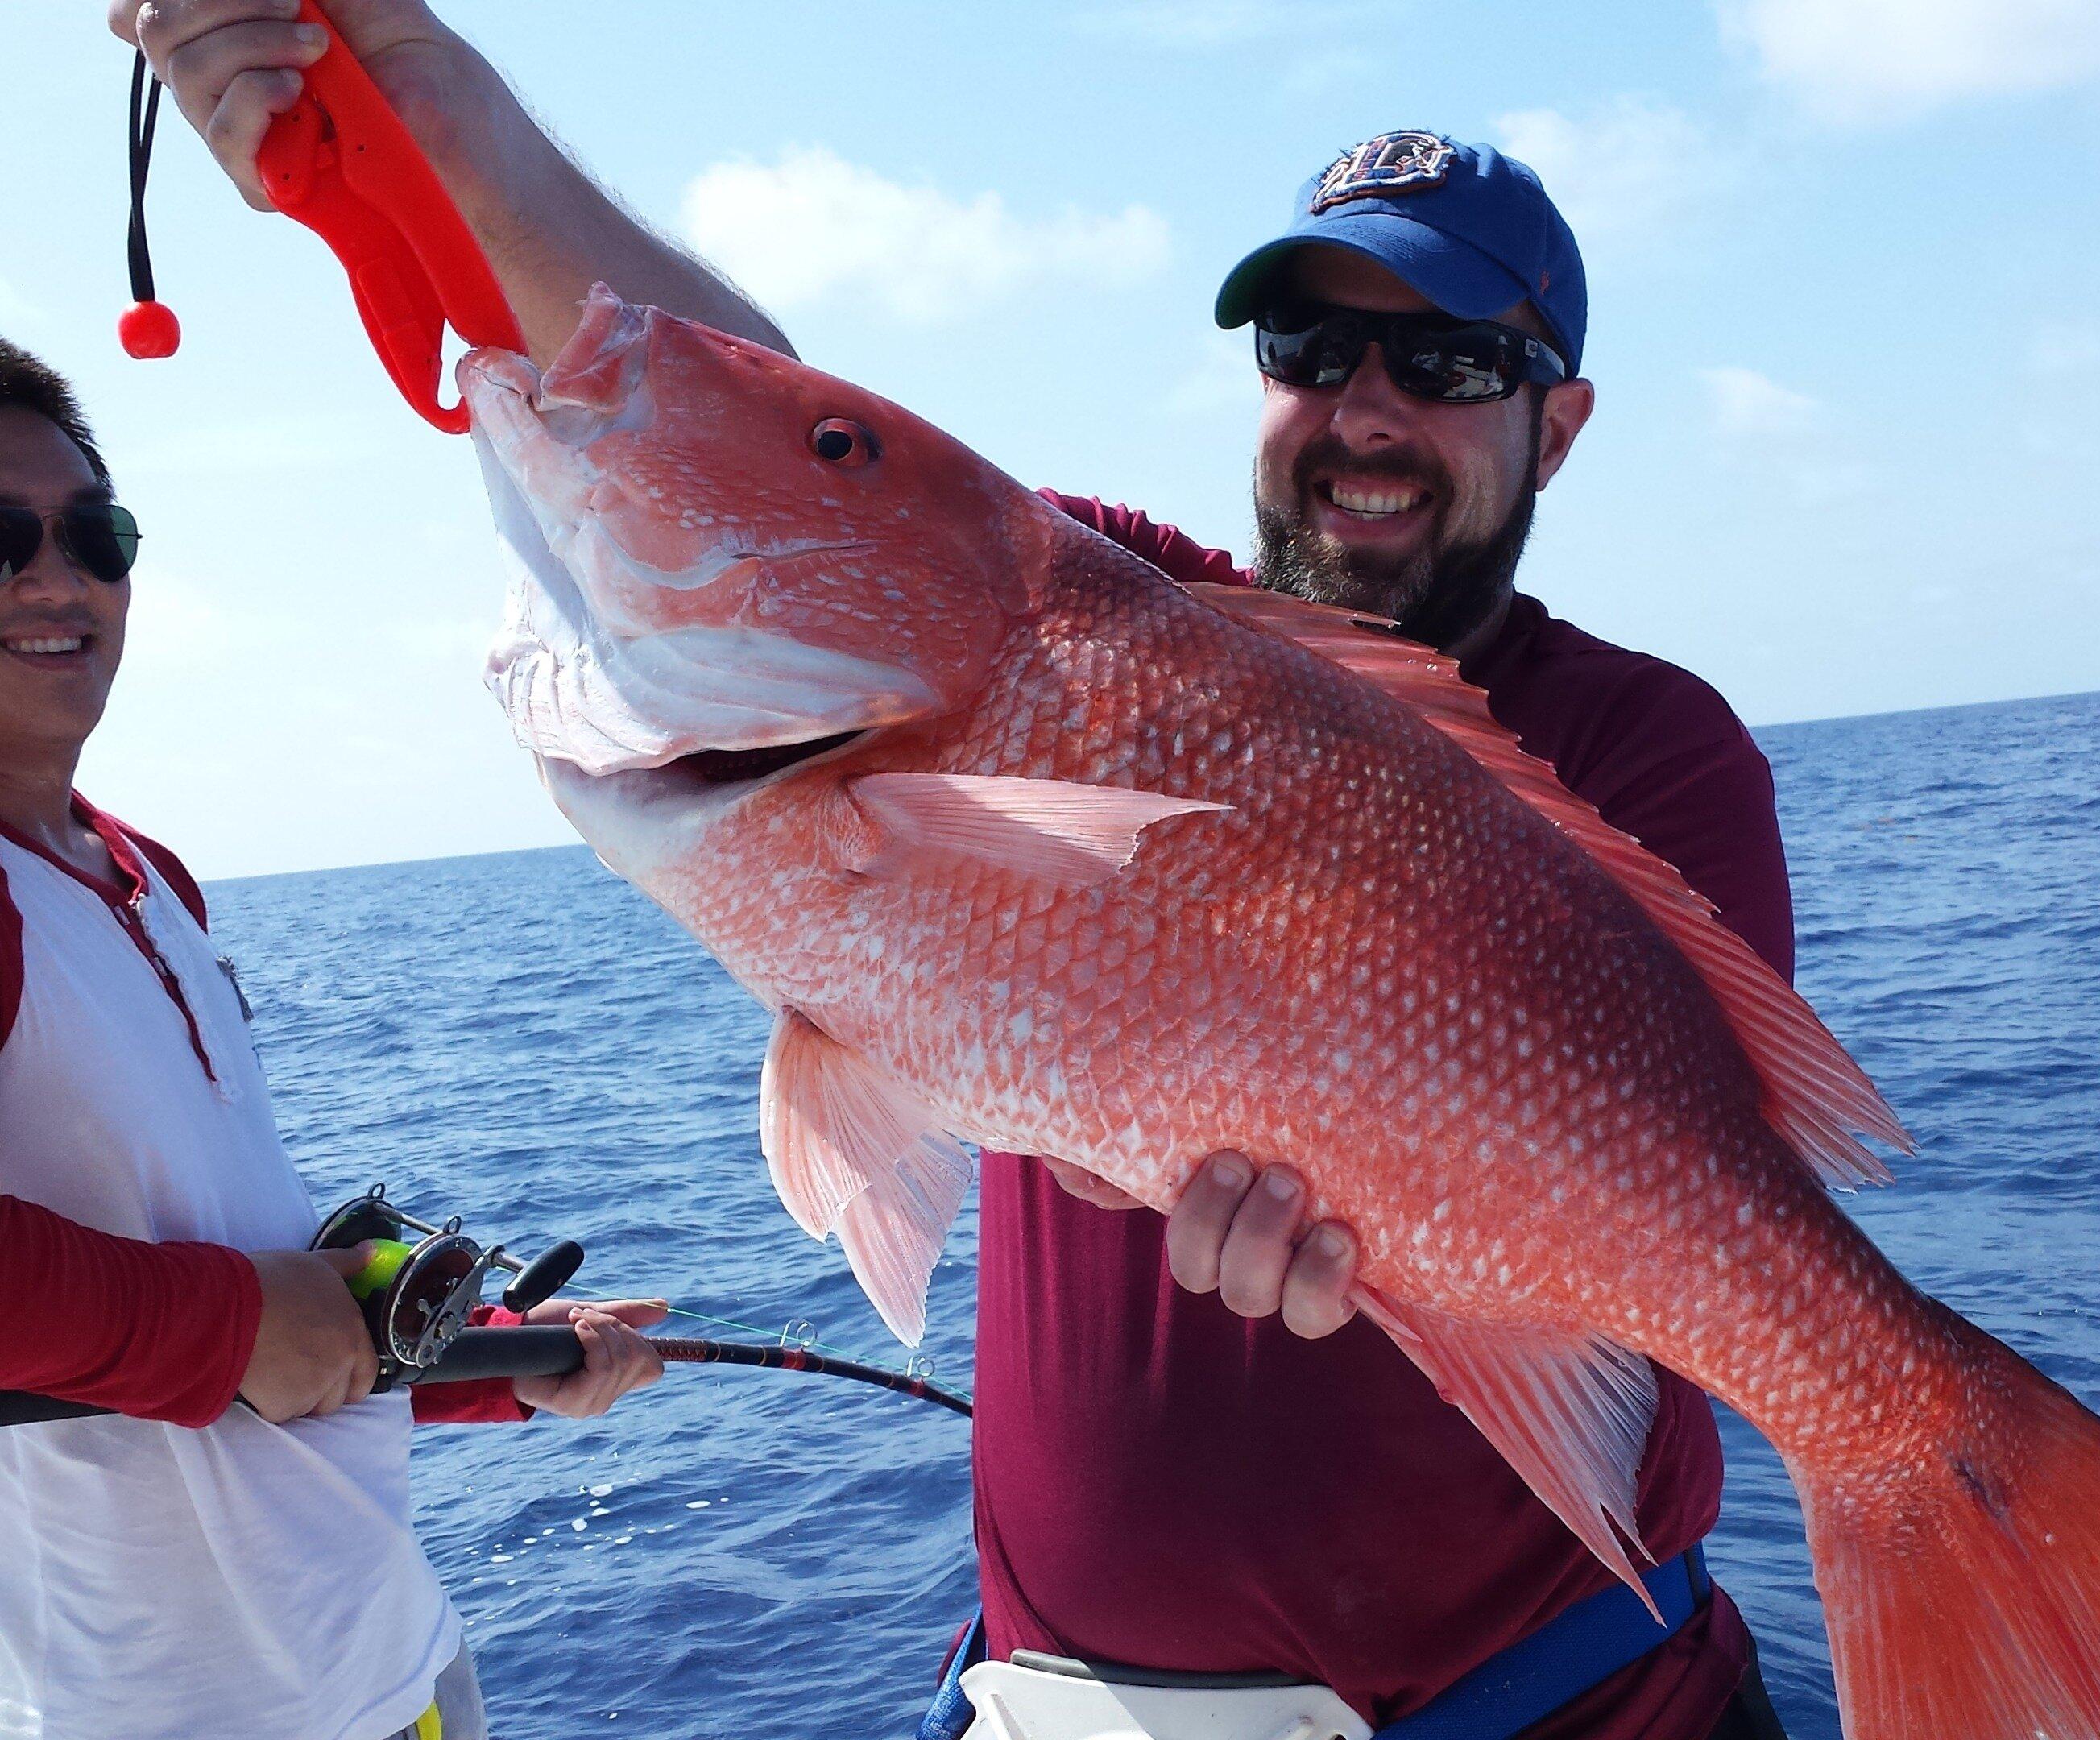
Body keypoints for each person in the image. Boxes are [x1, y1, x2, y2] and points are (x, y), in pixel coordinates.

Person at [122, 6, 1800, 1734]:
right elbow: (750, 420)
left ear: (1559, 424)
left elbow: (1679, 1183)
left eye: (1445, 365)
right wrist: (431, 115)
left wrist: (1403, 1233)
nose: (1363, 410)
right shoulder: (1088, 613)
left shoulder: (1644, 745)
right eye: (1311, 346)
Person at [0, 338, 669, 1740]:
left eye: (93, 537)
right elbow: (240, 1325)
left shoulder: (152, 878)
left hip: (400, 1666)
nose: (59, 580)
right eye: (1, 539)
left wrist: (497, 1356)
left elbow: (256, 1289)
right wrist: (239, 1322)